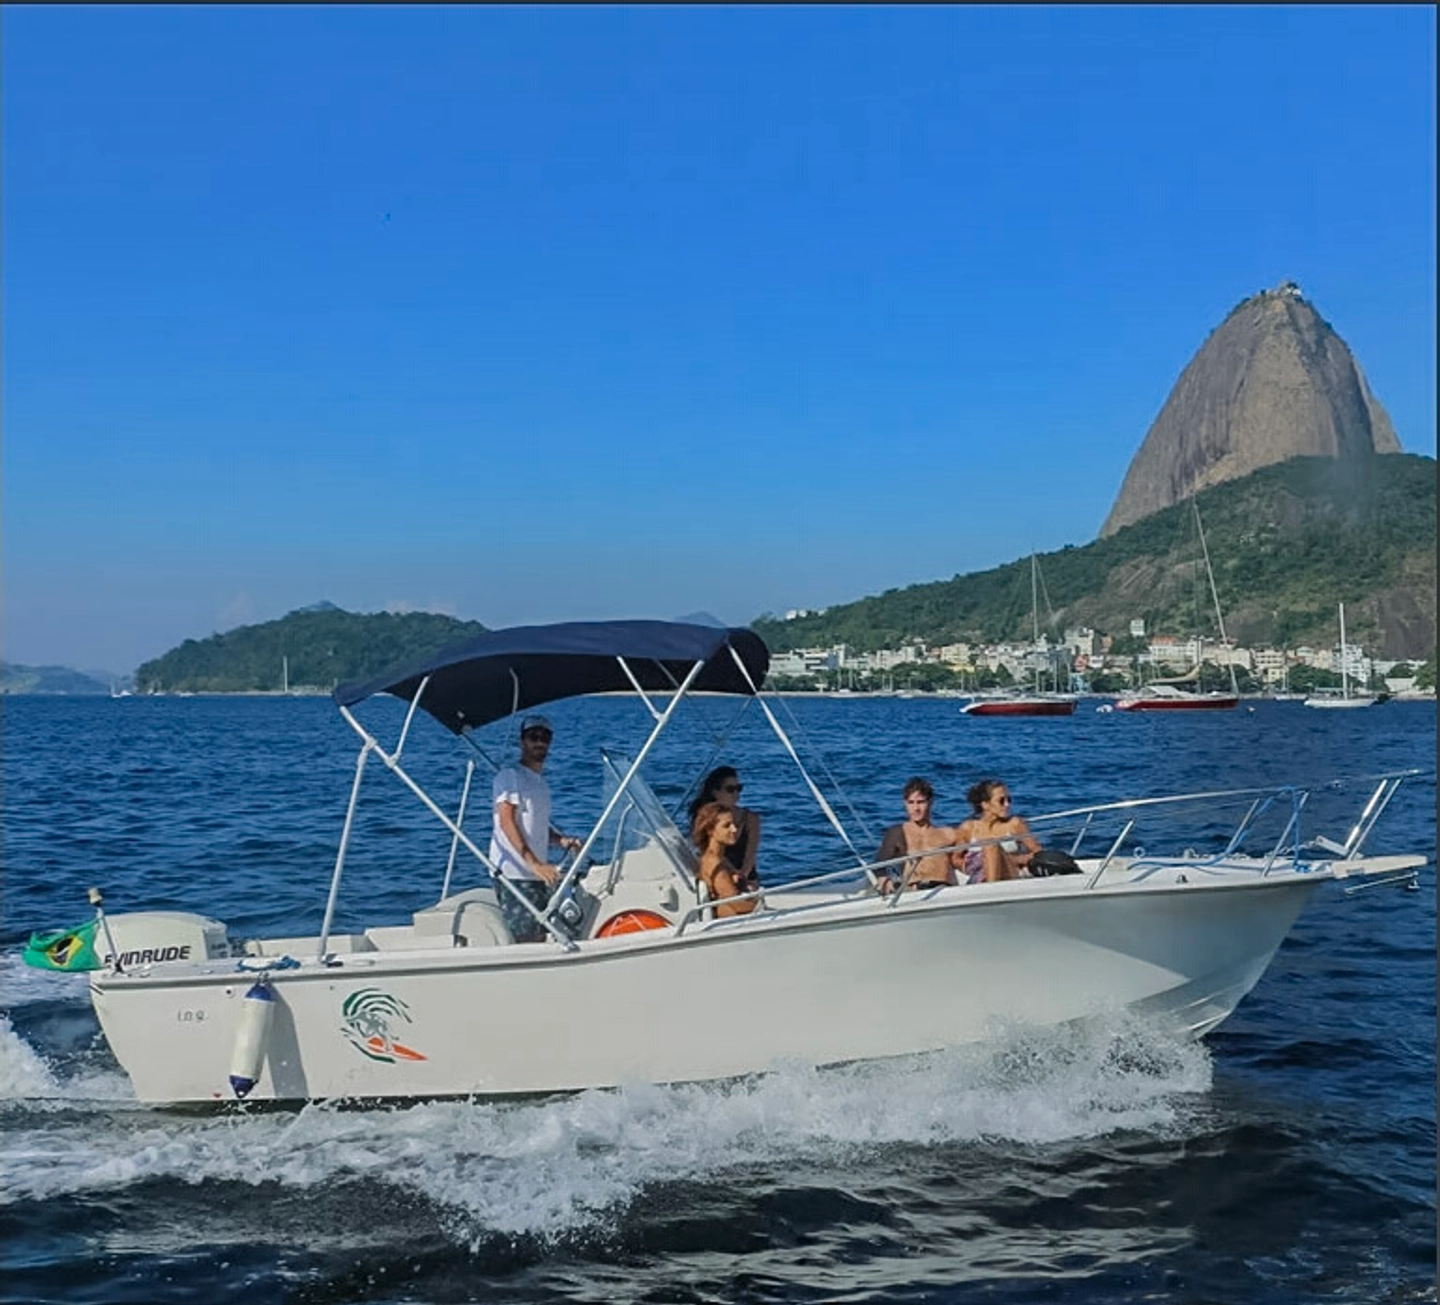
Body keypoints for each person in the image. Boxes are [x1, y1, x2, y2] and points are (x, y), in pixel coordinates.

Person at [489, 714, 583, 942]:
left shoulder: (540, 783)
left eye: (545, 737)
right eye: (533, 737)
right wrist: (535, 864)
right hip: (516, 874)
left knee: (552, 932)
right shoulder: (510, 775)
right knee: (528, 939)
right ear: (522, 742)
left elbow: (535, 825)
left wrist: (561, 840)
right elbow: (506, 821)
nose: (539, 742)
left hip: (538, 874)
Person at [872, 777, 958, 893]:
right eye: (911, 803)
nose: (916, 808)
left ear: (930, 802)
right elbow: (879, 864)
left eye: (921, 802)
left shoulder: (947, 834)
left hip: (944, 890)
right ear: (905, 804)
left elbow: (963, 862)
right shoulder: (898, 832)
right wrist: (884, 879)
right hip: (914, 890)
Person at [687, 766, 761, 892]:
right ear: (715, 792)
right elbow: (708, 849)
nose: (736, 794)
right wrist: (731, 873)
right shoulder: (706, 819)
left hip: (746, 876)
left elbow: (751, 853)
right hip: (720, 871)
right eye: (730, 789)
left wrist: (742, 875)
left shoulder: (750, 818)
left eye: (739, 789)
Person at [955, 779, 1041, 884]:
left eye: (1008, 800)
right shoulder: (969, 828)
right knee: (989, 849)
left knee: (991, 846)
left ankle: (990, 890)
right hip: (980, 875)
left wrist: (1014, 859)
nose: (1007, 805)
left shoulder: (1014, 824)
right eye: (1001, 801)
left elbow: (1038, 853)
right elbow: (956, 858)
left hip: (1010, 873)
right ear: (985, 805)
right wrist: (971, 866)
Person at [691, 801, 758, 917]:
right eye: (727, 826)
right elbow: (738, 906)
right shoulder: (715, 864)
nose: (734, 829)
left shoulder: (721, 858)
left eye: (734, 824)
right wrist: (760, 903)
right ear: (710, 830)